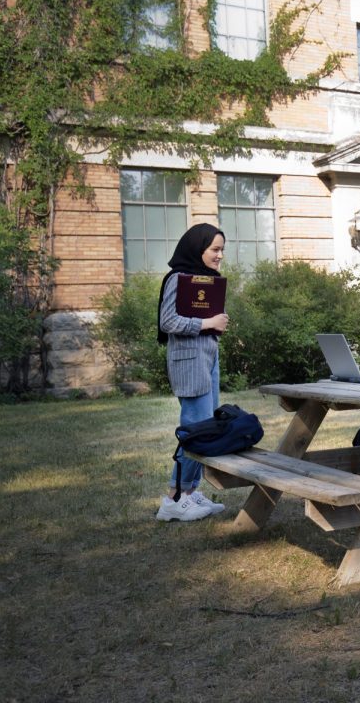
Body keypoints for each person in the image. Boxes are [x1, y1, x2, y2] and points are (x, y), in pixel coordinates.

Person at [155, 222, 230, 522]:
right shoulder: (179, 279)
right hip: (188, 363)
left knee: (205, 429)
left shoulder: (203, 280)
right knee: (194, 430)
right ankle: (176, 499)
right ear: (198, 248)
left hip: (207, 360)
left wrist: (216, 321)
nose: (219, 255)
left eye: (222, 250)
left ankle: (187, 491)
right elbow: (168, 321)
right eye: (214, 249)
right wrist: (207, 323)